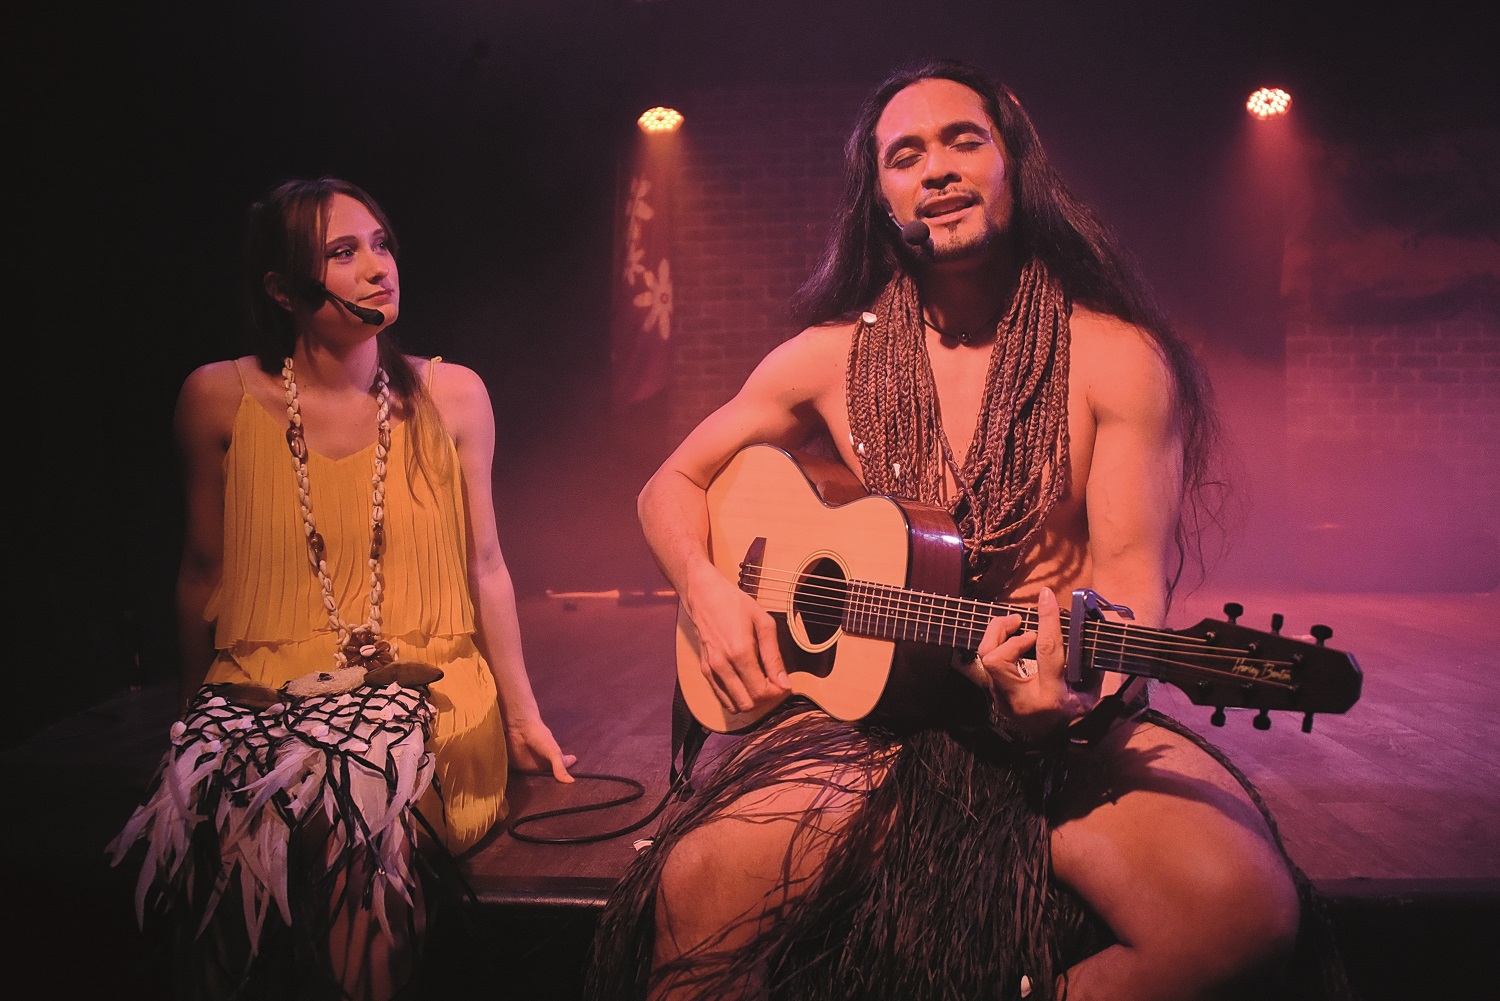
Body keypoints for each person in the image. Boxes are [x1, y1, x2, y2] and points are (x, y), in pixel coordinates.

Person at [587, 61, 1344, 1000]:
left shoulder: (1118, 361)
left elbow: (1130, 579)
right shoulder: (827, 358)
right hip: (869, 713)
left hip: (1051, 716)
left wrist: (1066, 698)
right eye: (905, 155)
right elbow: (670, 483)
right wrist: (707, 591)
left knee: (1242, 910)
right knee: (697, 887)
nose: (935, 168)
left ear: (1015, 164)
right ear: (879, 198)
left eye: (963, 140)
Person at [111, 177, 575, 1000]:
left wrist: (525, 713)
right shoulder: (215, 398)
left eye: (381, 243)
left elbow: (487, 566)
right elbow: (202, 573)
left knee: (345, 795)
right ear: (285, 290)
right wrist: (192, 724)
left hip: (425, 679)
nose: (377, 266)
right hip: (268, 673)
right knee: (221, 802)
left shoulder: (452, 395)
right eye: (343, 251)